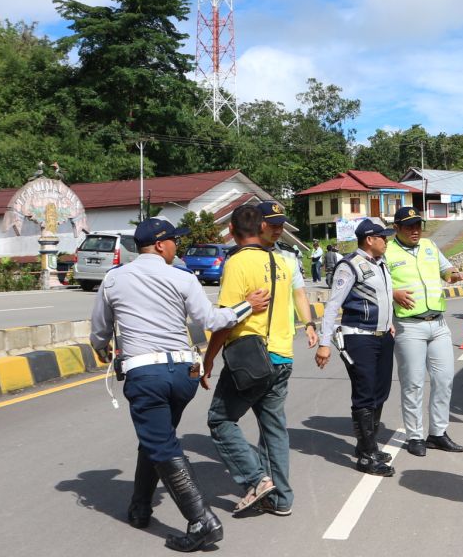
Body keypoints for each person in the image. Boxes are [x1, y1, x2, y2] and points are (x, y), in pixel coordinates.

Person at [90, 217, 270, 552]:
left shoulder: (114, 279)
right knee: (157, 439)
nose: (178, 246)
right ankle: (140, 507)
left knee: (160, 445)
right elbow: (213, 320)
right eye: (174, 240)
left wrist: (102, 348)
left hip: (146, 376)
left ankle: (201, 519)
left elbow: (100, 331)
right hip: (184, 374)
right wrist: (248, 305)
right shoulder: (183, 277)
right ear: (160, 245)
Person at [202, 202, 318, 519]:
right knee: (274, 430)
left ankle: (257, 480)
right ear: (262, 228)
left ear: (231, 231)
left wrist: (208, 359)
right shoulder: (282, 262)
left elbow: (226, 320)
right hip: (282, 357)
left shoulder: (238, 264)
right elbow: (298, 298)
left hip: (251, 358)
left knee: (220, 420)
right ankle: (282, 499)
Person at [315, 218, 397, 477]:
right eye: (383, 237)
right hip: (359, 337)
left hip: (382, 336)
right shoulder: (350, 266)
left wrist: (389, 323)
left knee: (381, 392)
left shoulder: (381, 264)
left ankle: (367, 446)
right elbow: (332, 306)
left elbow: (383, 298)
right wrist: (324, 344)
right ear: (369, 239)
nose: (387, 241)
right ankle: (366, 456)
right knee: (365, 393)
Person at [386, 206, 463, 457]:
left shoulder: (429, 246)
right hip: (409, 325)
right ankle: (415, 435)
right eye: (409, 226)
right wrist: (393, 294)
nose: (415, 230)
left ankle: (438, 433)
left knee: (444, 379)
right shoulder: (387, 251)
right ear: (396, 228)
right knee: (413, 383)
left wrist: (453, 275)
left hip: (438, 323)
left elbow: (446, 269)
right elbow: (376, 285)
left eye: (418, 225)